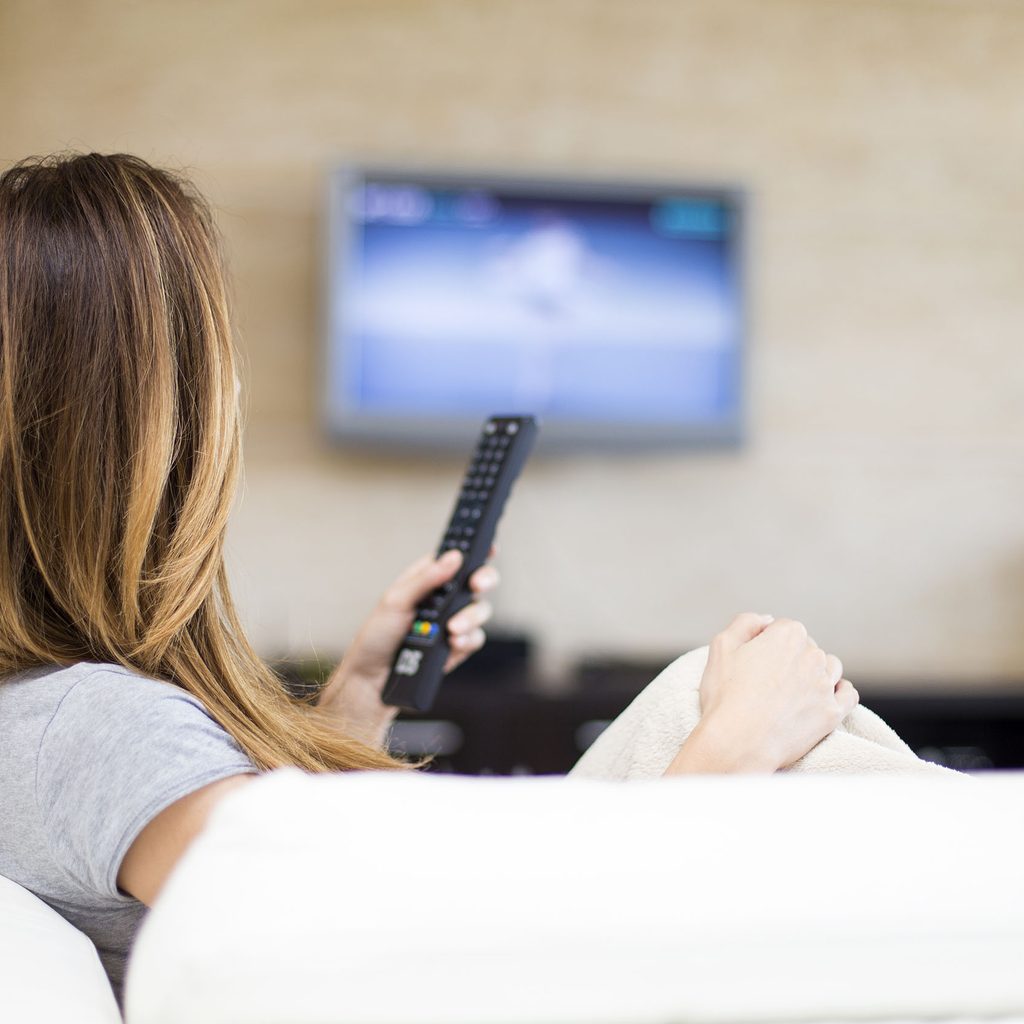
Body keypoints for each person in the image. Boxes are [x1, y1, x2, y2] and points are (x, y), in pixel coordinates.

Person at [0, 153, 858, 1003]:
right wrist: (730, 755)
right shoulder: (97, 727)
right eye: (218, 355)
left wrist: (362, 693)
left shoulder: (57, 714)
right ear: (165, 421)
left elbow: (304, 897)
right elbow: (436, 965)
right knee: (740, 715)